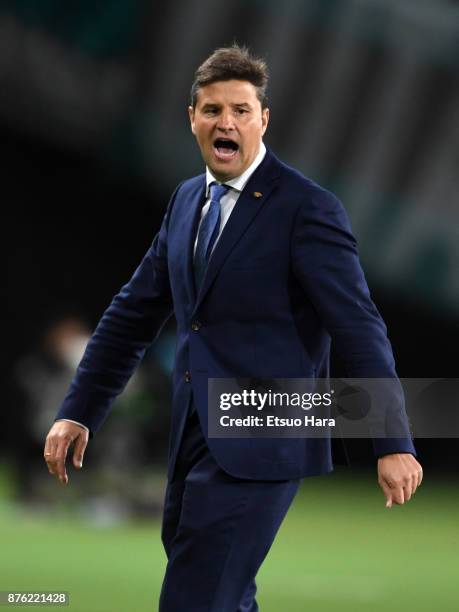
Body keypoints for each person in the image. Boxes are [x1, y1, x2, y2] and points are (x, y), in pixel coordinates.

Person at [44, 45, 423, 611]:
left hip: (267, 434)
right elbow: (132, 314)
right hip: (194, 434)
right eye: (213, 109)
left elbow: (359, 326)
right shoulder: (185, 201)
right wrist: (80, 408)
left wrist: (392, 441)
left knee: (195, 599)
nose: (227, 121)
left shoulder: (306, 208)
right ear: (191, 118)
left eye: (241, 110)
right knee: (220, 595)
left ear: (263, 120)